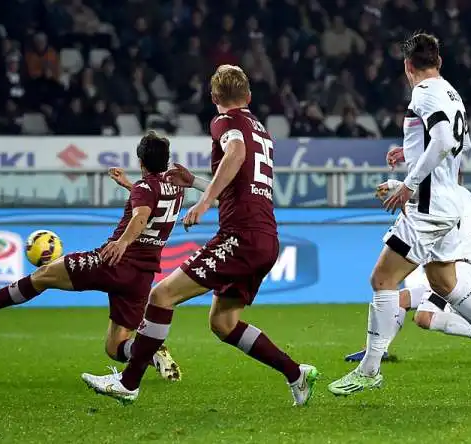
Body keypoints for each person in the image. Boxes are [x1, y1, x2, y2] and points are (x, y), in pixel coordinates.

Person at [81, 65, 318, 406]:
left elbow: (235, 153)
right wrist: (194, 183)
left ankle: (129, 383)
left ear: (214, 98)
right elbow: (241, 186)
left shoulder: (225, 122)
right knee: (223, 322)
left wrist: (204, 201)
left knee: (161, 296)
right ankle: (296, 374)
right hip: (265, 236)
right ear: (249, 96)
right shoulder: (261, 130)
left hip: (241, 235)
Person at [327, 33, 471, 396]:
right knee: (443, 283)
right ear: (439, 62)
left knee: (382, 280)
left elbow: (445, 139)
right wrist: (411, 151)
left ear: (407, 66)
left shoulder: (423, 92)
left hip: (428, 209)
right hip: (449, 203)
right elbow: (460, 143)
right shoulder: (451, 92)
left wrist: (410, 183)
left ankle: (369, 371)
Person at [0, 132, 183, 381]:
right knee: (114, 346)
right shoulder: (175, 189)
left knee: (42, 275)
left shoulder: (145, 188)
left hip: (112, 262)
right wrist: (129, 185)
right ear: (166, 160)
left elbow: (140, 216)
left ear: (141, 161)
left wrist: (122, 242)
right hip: (141, 276)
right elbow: (153, 204)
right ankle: (150, 353)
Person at [344, 181, 471, 364]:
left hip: (457, 269)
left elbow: (422, 194)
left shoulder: (446, 199)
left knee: (424, 317)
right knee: (399, 300)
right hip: (465, 268)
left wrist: (393, 186)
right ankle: (379, 351)